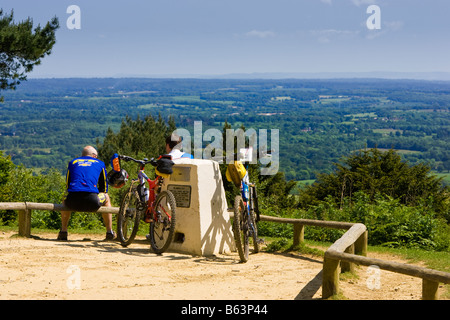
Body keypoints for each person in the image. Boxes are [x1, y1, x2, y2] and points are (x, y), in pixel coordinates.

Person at [58, 146, 115, 241]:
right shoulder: (100, 163)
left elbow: (68, 184)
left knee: (65, 196)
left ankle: (63, 231)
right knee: (106, 196)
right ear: (94, 155)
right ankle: (109, 232)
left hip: (72, 201)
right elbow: (104, 187)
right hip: (92, 201)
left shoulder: (73, 162)